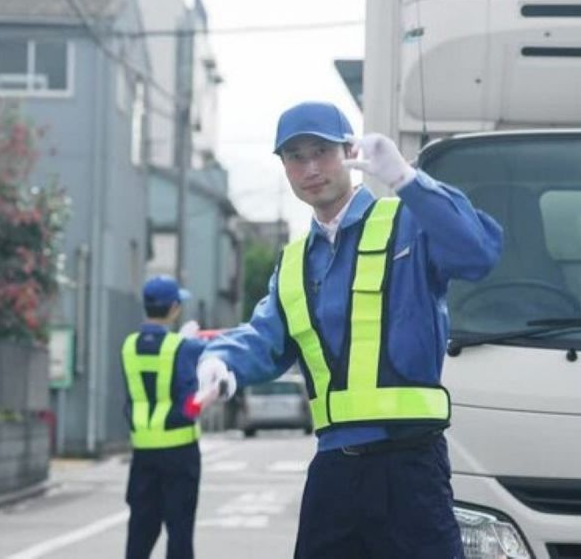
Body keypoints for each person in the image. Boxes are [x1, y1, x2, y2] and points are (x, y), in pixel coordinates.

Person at [197, 101, 503, 558]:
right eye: (296, 156)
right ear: (284, 166)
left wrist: (408, 180)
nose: (310, 168)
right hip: (334, 472)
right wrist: (221, 360)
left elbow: (478, 253)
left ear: (349, 152)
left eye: (321, 151)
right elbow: (264, 336)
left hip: (410, 466)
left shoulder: (407, 221)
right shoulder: (294, 261)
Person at [122, 275, 215, 559]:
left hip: (143, 453)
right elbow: (191, 405)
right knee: (179, 530)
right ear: (174, 308)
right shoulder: (183, 348)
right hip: (179, 453)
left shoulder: (128, 346)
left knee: (140, 531)